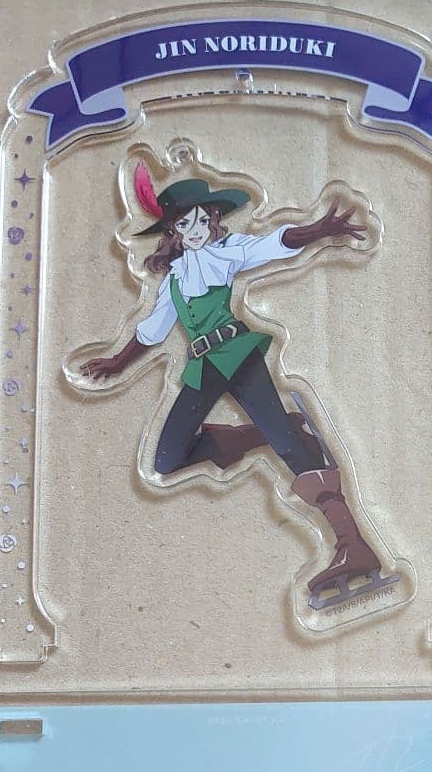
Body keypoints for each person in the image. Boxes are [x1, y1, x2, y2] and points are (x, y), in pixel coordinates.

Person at [81, 165, 394, 610]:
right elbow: (151, 331)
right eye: (184, 224)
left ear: (213, 220)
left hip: (237, 354)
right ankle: (268, 433)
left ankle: (354, 546)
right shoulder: (174, 279)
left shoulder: (226, 253)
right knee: (167, 459)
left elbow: (274, 244)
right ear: (172, 231)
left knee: (290, 449)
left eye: (201, 220)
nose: (195, 230)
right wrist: (116, 362)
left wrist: (318, 230)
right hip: (203, 366)